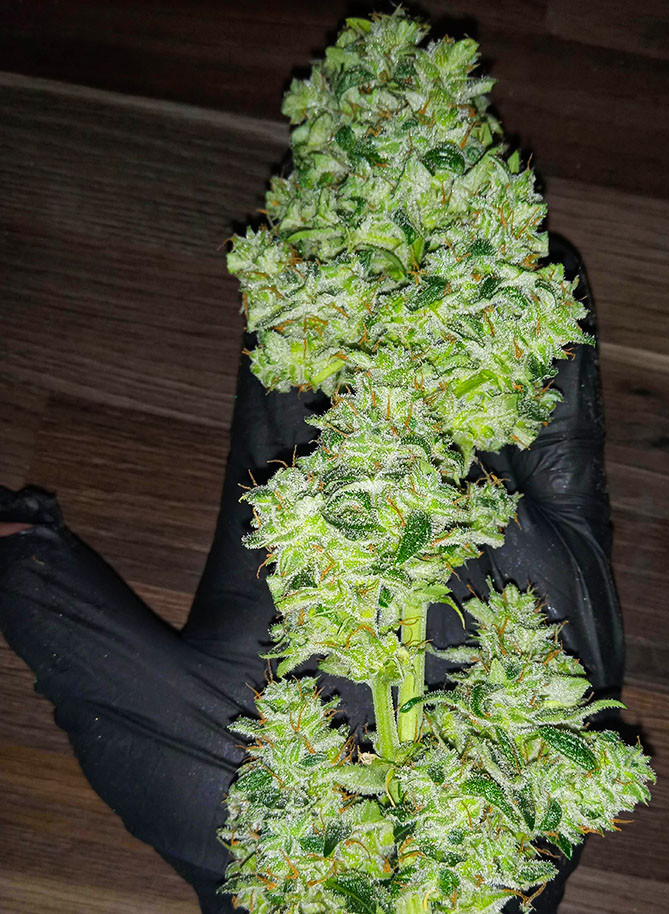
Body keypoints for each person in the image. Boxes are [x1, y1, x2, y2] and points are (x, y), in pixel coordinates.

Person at [0, 235, 624, 913]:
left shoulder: (229, 816)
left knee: (328, 279)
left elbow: (23, 565)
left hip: (330, 299)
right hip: (502, 812)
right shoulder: (529, 840)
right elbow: (24, 565)